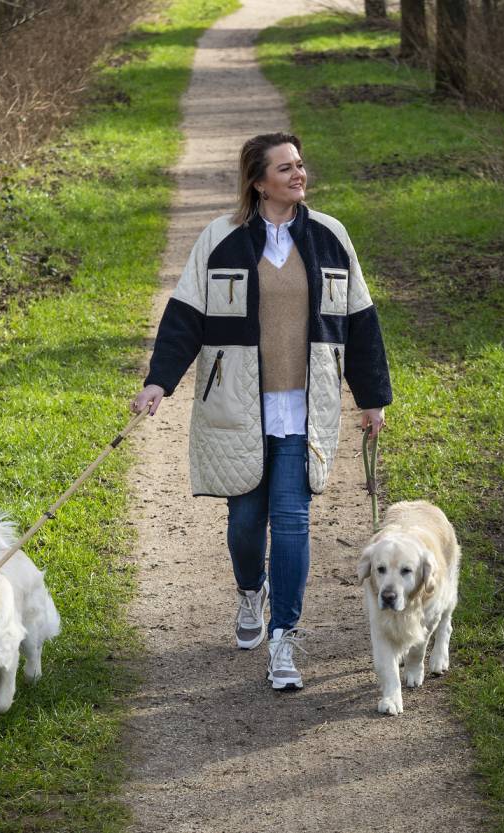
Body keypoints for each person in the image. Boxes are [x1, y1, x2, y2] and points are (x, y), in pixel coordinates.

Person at [131, 132, 391, 690]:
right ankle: (251, 590)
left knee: (293, 522)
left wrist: (371, 399)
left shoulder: (329, 237)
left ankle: (284, 639)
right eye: (285, 168)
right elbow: (184, 317)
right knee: (246, 524)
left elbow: (361, 322)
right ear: (257, 181)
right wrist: (159, 382)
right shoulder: (220, 239)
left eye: (300, 165)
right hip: (238, 408)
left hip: (303, 409)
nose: (299, 174)